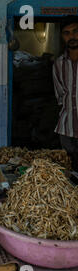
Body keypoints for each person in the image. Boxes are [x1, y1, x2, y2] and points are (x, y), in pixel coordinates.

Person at [53, 16, 78, 171]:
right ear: (62, 37)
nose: (72, 36)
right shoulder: (58, 64)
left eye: (75, 31)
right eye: (67, 33)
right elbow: (60, 96)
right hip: (66, 128)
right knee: (70, 170)